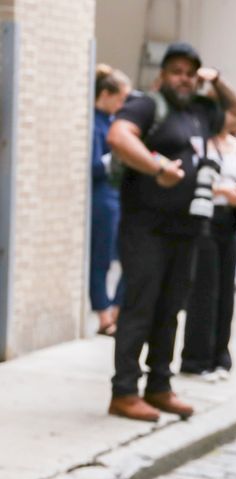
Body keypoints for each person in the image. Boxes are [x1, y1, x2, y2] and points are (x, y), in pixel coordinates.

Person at [106, 42, 236, 422]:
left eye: (190, 72)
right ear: (163, 75)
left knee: (169, 312)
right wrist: (155, 167)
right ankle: (124, 391)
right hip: (146, 227)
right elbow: (119, 136)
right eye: (177, 71)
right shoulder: (148, 105)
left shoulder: (200, 111)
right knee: (141, 308)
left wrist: (216, 81)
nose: (183, 78)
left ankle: (159, 386)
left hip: (187, 230)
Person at [180, 107, 236, 381]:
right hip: (206, 218)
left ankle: (220, 356)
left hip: (230, 220)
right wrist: (222, 190)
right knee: (204, 291)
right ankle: (197, 359)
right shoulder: (200, 143)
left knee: (226, 291)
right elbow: (189, 181)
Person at [90, 64, 131, 337]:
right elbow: (93, 166)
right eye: (120, 99)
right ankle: (105, 315)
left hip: (117, 196)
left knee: (128, 257)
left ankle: (115, 310)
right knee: (101, 258)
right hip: (102, 198)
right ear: (105, 94)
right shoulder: (94, 123)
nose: (122, 105)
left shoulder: (111, 121)